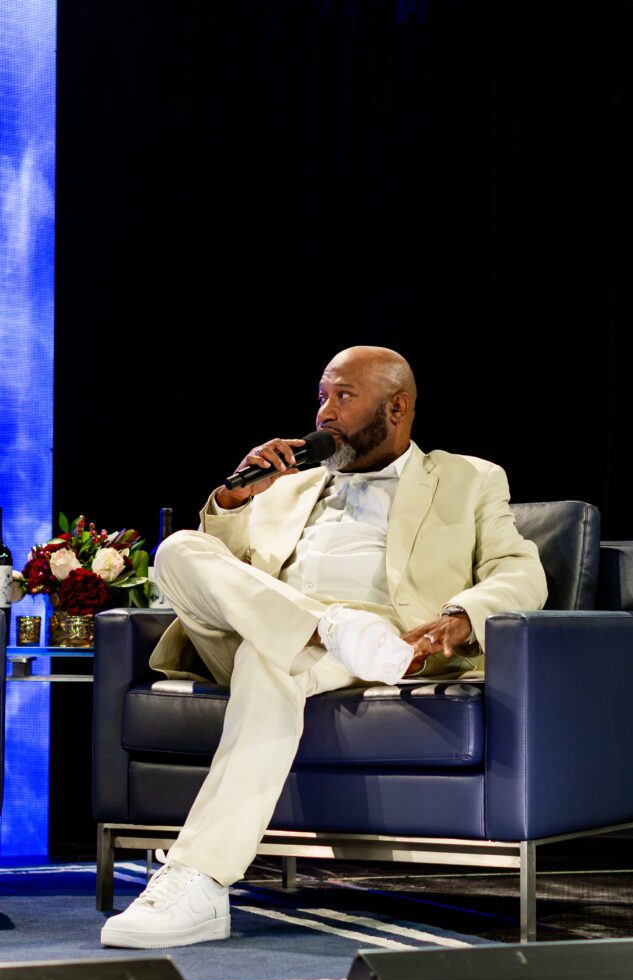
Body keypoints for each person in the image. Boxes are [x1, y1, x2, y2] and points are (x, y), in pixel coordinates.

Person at [100, 345, 548, 949]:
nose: (324, 413)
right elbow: (227, 573)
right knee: (179, 548)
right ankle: (325, 625)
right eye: (321, 396)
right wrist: (234, 501)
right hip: (278, 629)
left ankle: (199, 881)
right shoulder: (290, 484)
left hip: (381, 636)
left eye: (343, 396)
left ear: (397, 407)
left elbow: (521, 573)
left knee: (270, 660)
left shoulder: (469, 478)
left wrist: (460, 617)